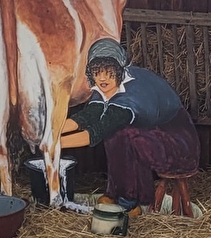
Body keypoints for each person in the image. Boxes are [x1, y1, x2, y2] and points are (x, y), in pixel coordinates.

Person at [59, 39, 199, 214]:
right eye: (96, 71)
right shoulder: (106, 86)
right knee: (120, 134)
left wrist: (55, 145)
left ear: (119, 70)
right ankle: (115, 193)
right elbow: (88, 117)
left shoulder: (132, 95)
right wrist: (51, 132)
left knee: (122, 133)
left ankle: (134, 201)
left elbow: (98, 130)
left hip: (177, 143)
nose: (102, 77)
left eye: (109, 71)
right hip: (149, 136)